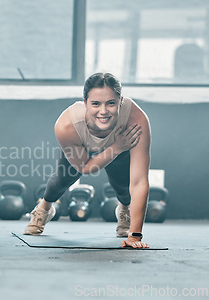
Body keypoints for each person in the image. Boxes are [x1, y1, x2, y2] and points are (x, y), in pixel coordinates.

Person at [24, 72, 151, 248]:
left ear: (121, 101)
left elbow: (139, 181)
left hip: (120, 146)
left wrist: (135, 236)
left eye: (111, 103)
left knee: (123, 186)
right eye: (96, 104)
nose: (103, 111)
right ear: (85, 103)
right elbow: (85, 168)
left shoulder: (136, 119)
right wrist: (116, 146)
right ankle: (44, 208)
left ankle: (124, 210)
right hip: (90, 148)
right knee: (61, 180)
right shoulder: (66, 125)